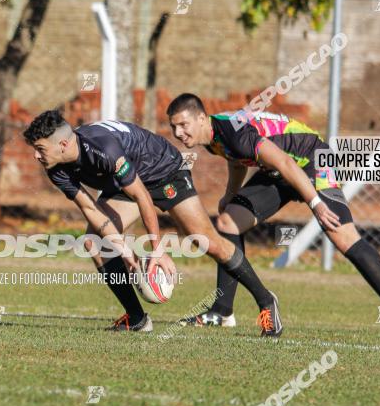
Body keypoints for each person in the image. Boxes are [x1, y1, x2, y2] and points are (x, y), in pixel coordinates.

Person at [166, 93, 380, 336]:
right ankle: (222, 311)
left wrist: (316, 203)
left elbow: (285, 162)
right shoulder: (214, 136)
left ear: (201, 118)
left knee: (342, 236)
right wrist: (230, 195)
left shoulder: (231, 132)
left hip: (312, 159)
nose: (178, 133)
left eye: (183, 125)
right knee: (228, 222)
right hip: (280, 170)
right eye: (174, 127)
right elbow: (236, 159)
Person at [23, 110, 283, 336]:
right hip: (126, 182)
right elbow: (90, 208)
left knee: (208, 242)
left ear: (64, 144)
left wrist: (157, 250)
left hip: (163, 169)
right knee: (94, 240)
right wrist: (127, 253)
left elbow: (143, 197)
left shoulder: (104, 149)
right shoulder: (55, 166)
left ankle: (265, 300)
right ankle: (136, 319)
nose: (36, 156)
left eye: (41, 149)